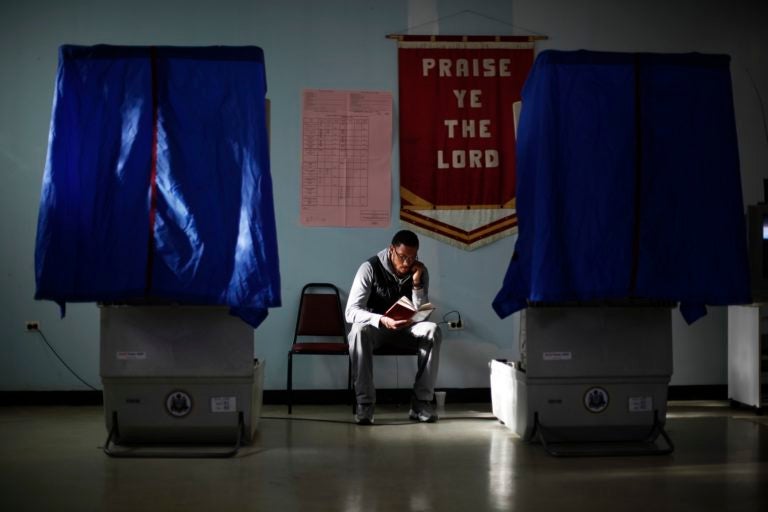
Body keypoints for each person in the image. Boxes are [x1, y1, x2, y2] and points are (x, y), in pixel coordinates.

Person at [345, 229, 442, 425]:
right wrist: (382, 319)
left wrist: (416, 284)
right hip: (378, 331)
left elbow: (422, 312)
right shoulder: (369, 268)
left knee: (432, 330)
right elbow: (351, 311)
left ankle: (421, 403)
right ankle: (365, 404)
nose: (407, 263)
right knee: (357, 330)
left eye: (412, 257)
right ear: (391, 250)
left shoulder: (419, 271)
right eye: (402, 256)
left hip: (406, 330)